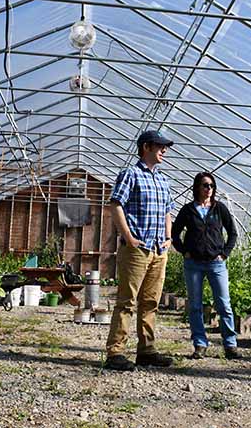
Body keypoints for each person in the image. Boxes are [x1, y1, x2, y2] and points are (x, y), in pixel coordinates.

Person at [103, 130, 176, 371]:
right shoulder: (131, 174)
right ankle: (115, 352)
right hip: (137, 249)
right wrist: (128, 237)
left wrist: (168, 237)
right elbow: (116, 205)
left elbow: (167, 211)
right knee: (127, 301)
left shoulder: (163, 180)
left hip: (158, 249)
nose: (164, 150)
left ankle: (146, 350)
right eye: (160, 146)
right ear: (146, 147)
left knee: (151, 302)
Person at [172, 172, 239, 360]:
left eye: (211, 185)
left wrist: (224, 253)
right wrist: (184, 250)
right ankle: (200, 344)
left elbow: (232, 233)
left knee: (223, 304)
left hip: (216, 264)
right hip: (193, 264)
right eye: (205, 185)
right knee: (195, 306)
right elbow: (174, 233)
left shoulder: (219, 209)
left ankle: (230, 344)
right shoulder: (188, 210)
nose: (209, 189)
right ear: (197, 187)